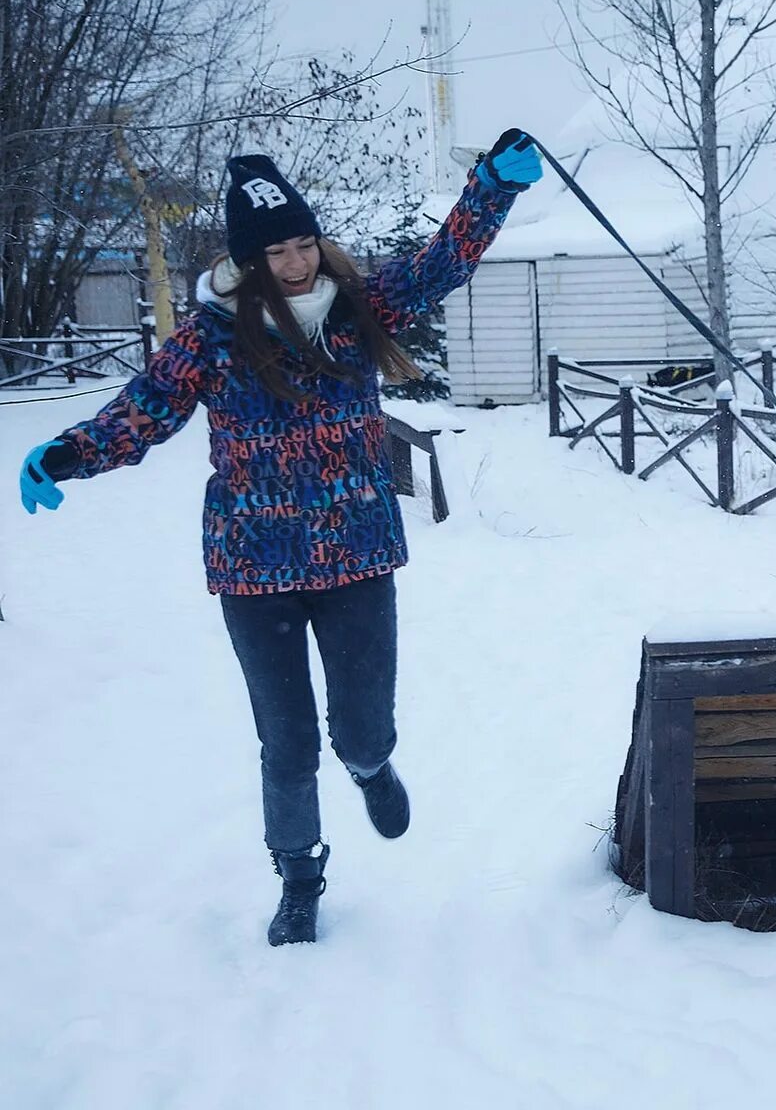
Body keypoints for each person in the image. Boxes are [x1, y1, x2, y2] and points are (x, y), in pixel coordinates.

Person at [17, 129, 544, 942]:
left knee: (361, 726)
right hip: (253, 566)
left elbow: (444, 264)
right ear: (247, 260)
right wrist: (71, 453)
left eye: (305, 244)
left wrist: (490, 189)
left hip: (358, 555)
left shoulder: (357, 307)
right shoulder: (211, 337)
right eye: (279, 251)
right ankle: (300, 879)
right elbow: (147, 409)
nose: (297, 262)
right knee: (287, 739)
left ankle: (371, 766)